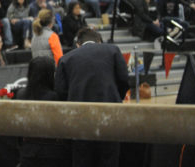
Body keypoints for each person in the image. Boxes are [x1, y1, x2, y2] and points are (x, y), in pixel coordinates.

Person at [55, 28, 128, 167]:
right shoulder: (113, 50)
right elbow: (124, 80)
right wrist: (116, 97)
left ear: (78, 44)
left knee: (82, 159)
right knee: (109, 159)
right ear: (99, 41)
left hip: (79, 118)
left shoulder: (65, 59)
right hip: (109, 114)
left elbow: (60, 91)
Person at [15, 56, 71, 167]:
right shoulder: (54, 96)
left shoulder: (21, 94)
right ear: (49, 74)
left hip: (28, 151)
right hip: (52, 152)